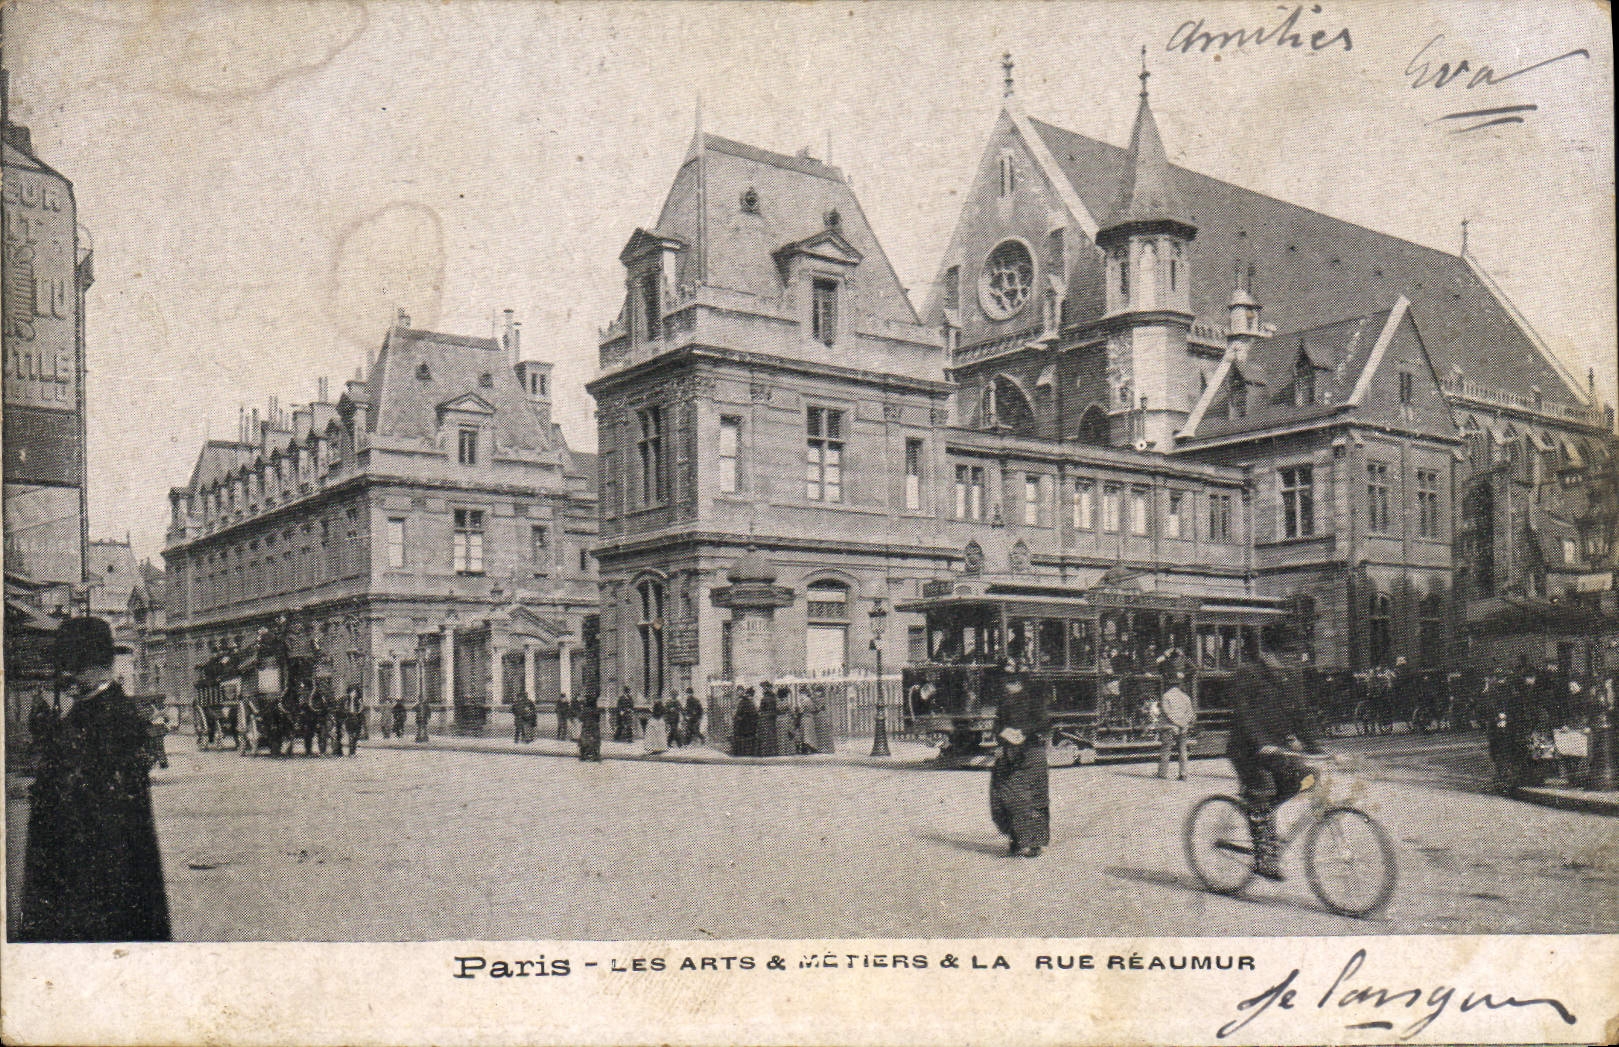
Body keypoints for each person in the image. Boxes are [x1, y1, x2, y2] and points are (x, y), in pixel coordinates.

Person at [19, 617, 171, 941]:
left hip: (95, 882)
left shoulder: (112, 718)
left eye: (73, 666)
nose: (65, 676)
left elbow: (105, 815)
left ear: (91, 665)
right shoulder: (88, 713)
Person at [1226, 624, 1327, 881]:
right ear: (1267, 653)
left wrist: (1317, 749)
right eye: (1286, 654)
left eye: (1296, 654)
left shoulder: (1291, 677)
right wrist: (1262, 742)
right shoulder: (1247, 674)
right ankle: (1263, 856)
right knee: (1262, 787)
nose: (1293, 660)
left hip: (1276, 751)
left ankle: (1260, 814)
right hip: (1247, 750)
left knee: (1308, 778)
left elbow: (1300, 715)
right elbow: (1244, 715)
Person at [990, 648, 1050, 858]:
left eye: (1010, 681)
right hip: (1009, 753)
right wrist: (1001, 736)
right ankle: (1017, 837)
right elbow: (997, 725)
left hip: (1030, 752)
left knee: (1031, 797)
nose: (1006, 685)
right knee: (1003, 796)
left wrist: (1023, 732)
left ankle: (1034, 843)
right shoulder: (1004, 700)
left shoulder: (1034, 698)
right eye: (1005, 681)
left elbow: (1043, 722)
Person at [731, 688, 759, 757]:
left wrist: (736, 718)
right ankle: (748, 754)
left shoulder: (743, 702)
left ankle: (741, 753)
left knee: (742, 741)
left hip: (743, 726)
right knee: (749, 742)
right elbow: (755, 714)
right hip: (750, 726)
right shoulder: (751, 703)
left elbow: (738, 714)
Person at [577, 696, 602, 761]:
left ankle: (583, 755)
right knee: (596, 741)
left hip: (586, 727)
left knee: (583, 741)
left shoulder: (585, 710)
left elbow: (580, 718)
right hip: (594, 728)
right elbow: (598, 719)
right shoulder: (596, 710)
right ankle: (596, 755)